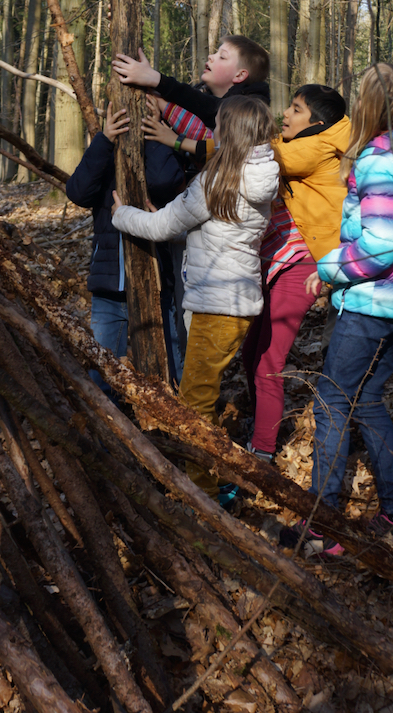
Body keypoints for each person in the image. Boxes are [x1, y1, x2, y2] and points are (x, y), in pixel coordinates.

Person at [280, 65, 393, 556]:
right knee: (366, 400)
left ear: (367, 106)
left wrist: (329, 270)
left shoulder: (377, 158)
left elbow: (381, 245)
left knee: (330, 405)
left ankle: (321, 527)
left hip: (374, 304)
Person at [147, 84, 351, 462]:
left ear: (317, 122)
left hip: (300, 263)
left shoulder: (310, 149)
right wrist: (167, 111)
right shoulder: (278, 154)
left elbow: (224, 142)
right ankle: (260, 430)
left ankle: (263, 453)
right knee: (253, 357)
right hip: (276, 261)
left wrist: (173, 126)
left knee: (268, 364)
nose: (285, 114)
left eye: (295, 109)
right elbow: (222, 137)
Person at [111, 97, 279, 504]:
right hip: (234, 301)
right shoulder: (256, 174)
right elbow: (215, 228)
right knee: (203, 394)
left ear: (230, 132)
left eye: (218, 124)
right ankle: (209, 476)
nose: (213, 130)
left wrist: (123, 214)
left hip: (215, 305)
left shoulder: (216, 181)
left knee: (195, 402)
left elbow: (166, 225)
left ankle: (200, 491)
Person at [65, 103, 185, 387]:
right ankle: (110, 422)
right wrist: (104, 139)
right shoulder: (105, 155)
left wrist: (155, 139)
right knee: (102, 369)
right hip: (109, 287)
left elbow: (166, 182)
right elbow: (78, 192)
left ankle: (175, 422)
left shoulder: (164, 153)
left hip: (156, 283)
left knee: (170, 366)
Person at [111, 35, 270, 130]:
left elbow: (212, 108)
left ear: (240, 75)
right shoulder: (202, 94)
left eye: (222, 56)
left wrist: (156, 79)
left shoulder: (253, 109)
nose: (211, 57)